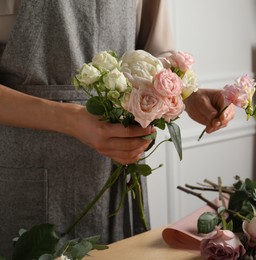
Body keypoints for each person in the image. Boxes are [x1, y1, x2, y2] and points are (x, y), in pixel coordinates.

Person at [0, 0, 235, 258]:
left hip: (117, 173)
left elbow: (155, 54)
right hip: (25, 172)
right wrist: (70, 118)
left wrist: (189, 95)